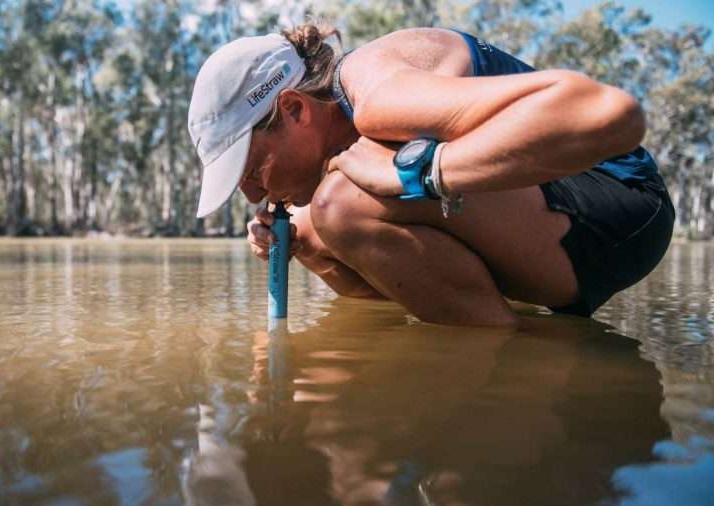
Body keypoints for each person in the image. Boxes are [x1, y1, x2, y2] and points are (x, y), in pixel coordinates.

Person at [187, 23, 675, 327]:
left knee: (341, 205)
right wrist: (302, 250)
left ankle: (502, 374)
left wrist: (422, 173)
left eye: (254, 170)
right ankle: (481, 349)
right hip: (548, 218)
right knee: (312, 226)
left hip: (625, 206)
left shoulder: (377, 96)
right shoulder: (342, 139)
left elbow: (611, 114)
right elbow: (391, 290)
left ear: (294, 109)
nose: (253, 193)